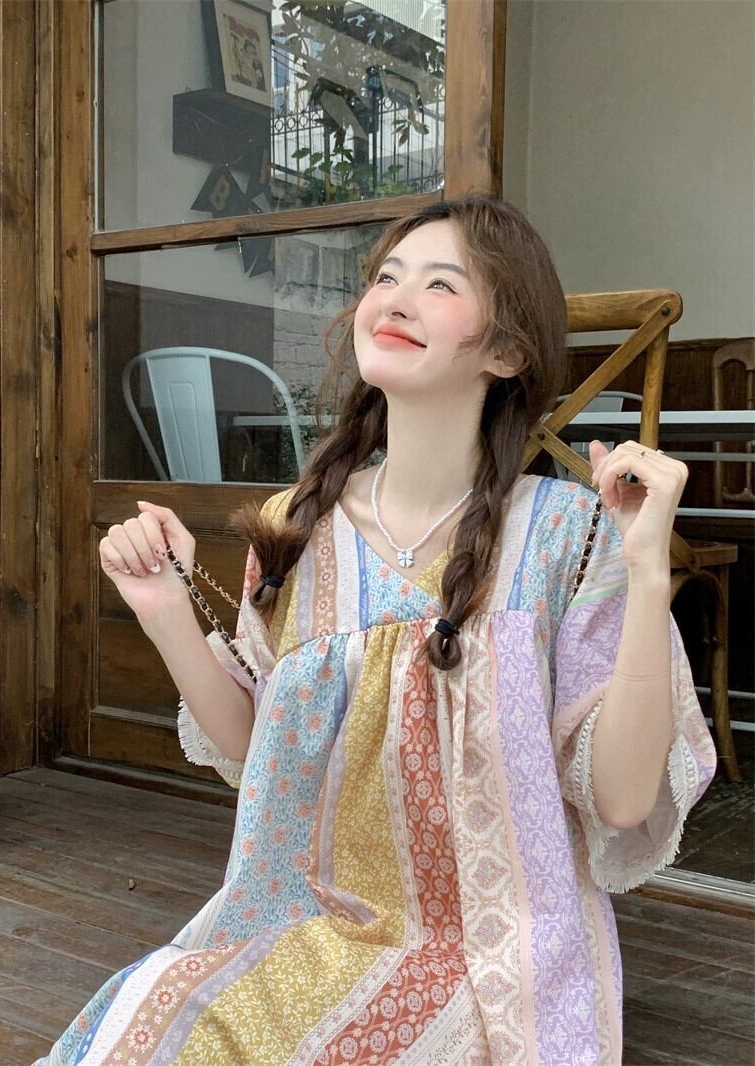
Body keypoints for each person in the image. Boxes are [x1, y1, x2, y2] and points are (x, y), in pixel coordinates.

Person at [36, 194, 716, 1065]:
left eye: (441, 285)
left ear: (507, 352)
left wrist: (650, 571)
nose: (395, 298)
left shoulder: (568, 534)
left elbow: (621, 799)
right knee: (150, 1019)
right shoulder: (295, 526)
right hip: (300, 926)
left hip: (492, 965)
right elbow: (252, 743)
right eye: (387, 277)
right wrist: (165, 610)